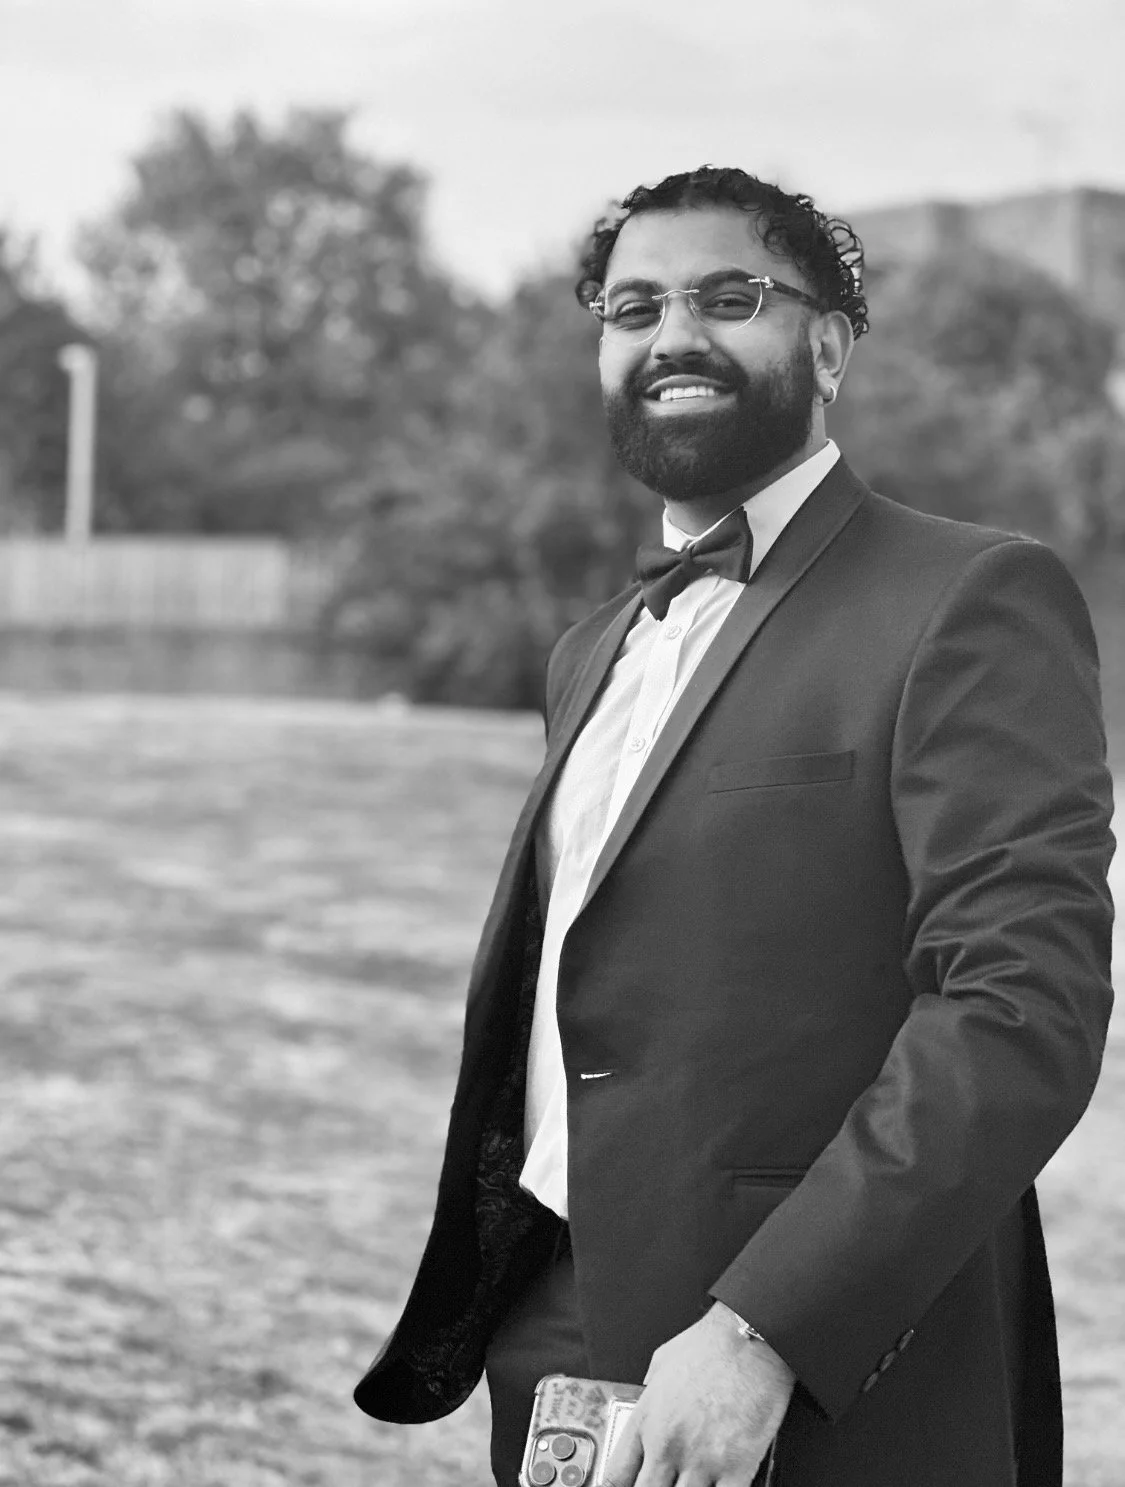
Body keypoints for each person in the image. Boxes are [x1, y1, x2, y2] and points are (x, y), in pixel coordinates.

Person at [353, 166, 1116, 1487]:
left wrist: (769, 1325)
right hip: (553, 1322)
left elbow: (1019, 1010)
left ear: (826, 343)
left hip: (825, 1359)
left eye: (728, 297)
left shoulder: (972, 597)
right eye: (634, 306)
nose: (674, 336)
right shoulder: (592, 649)